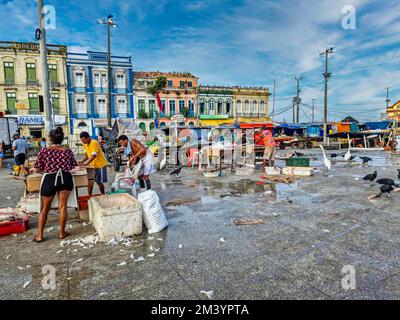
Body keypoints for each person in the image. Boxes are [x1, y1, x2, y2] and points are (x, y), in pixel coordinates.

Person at [30, 127, 77, 242]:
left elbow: (37, 168)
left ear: (50, 139)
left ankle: (39, 236)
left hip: (50, 179)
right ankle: (62, 233)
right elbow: (73, 166)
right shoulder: (67, 151)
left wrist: (34, 169)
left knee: (45, 208)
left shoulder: (45, 151)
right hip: (66, 178)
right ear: (62, 139)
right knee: (62, 206)